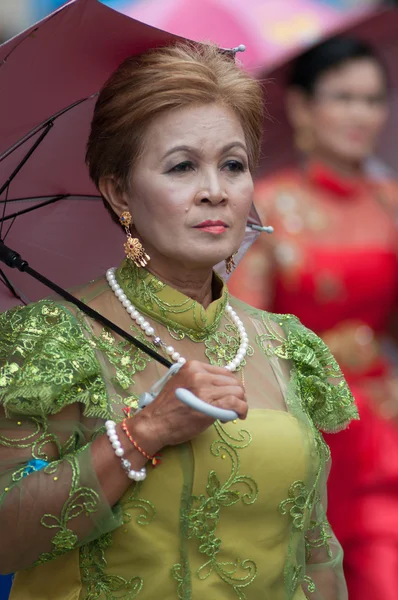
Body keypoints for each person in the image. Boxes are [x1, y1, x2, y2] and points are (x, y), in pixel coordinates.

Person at [0, 42, 356, 600]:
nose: (214, 190)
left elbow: (315, 551)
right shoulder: (53, 339)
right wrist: (143, 432)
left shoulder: (286, 343)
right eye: (183, 166)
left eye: (233, 165)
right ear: (119, 191)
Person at [229, 36, 398, 600]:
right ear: (301, 106)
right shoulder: (267, 209)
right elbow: (238, 333)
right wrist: (321, 346)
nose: (361, 114)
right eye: (343, 97)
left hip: (381, 429)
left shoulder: (392, 205)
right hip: (300, 426)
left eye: (373, 100)